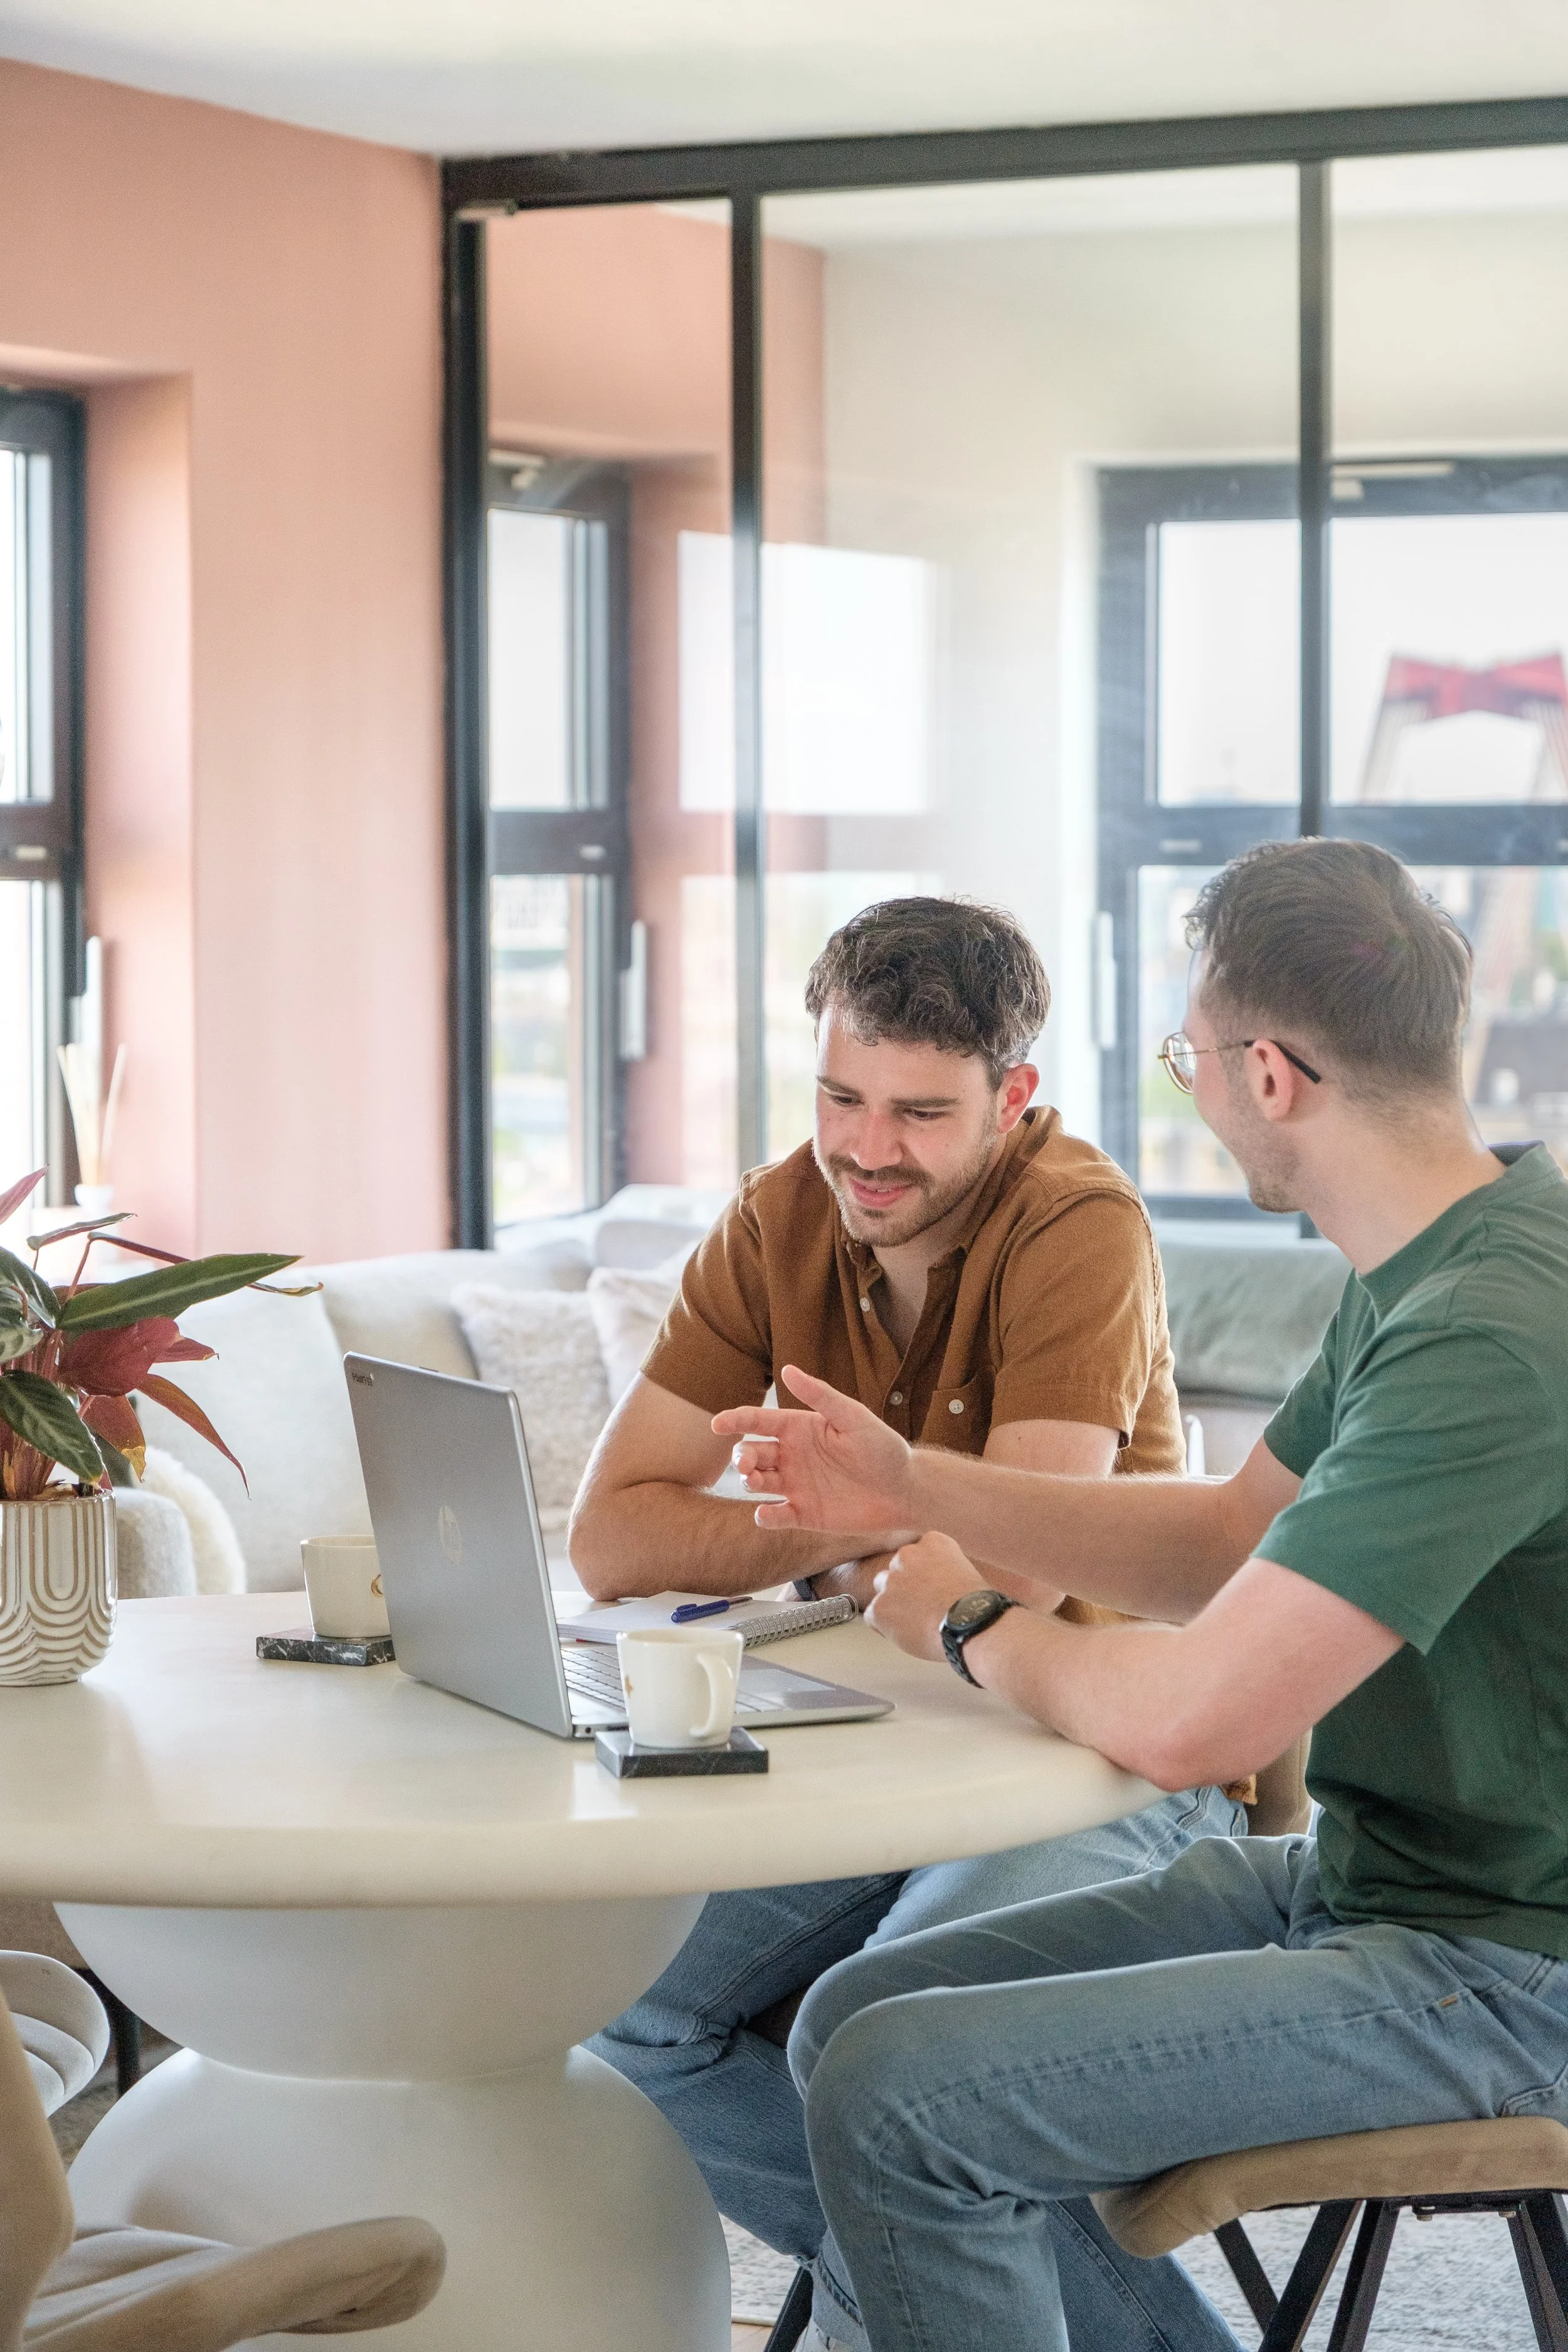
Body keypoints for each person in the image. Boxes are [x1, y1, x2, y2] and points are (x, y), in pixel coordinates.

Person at [716, 837, 1568, 2352]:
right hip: (1384, 1888)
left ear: (1268, 1073)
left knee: (897, 2100)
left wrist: (967, 1623)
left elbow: (1188, 1722)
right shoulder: (1441, 1256)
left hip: (1510, 1970)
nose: (1187, 1084)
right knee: (859, 2015)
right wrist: (908, 1481)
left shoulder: (1489, 1334)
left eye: (1186, 1053)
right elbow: (1230, 1536)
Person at [570, 896, 1249, 2333]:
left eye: (921, 1114)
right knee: (617, 1999)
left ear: (1013, 1099)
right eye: (840, 1095)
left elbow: (1015, 1575)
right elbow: (612, 1533)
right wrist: (856, 1522)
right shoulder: (773, 1218)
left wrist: (843, 1523)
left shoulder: (1077, 1225)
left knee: (885, 2034)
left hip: (1100, 1754)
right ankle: (947, 2278)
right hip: (881, 1746)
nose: (867, 1151)